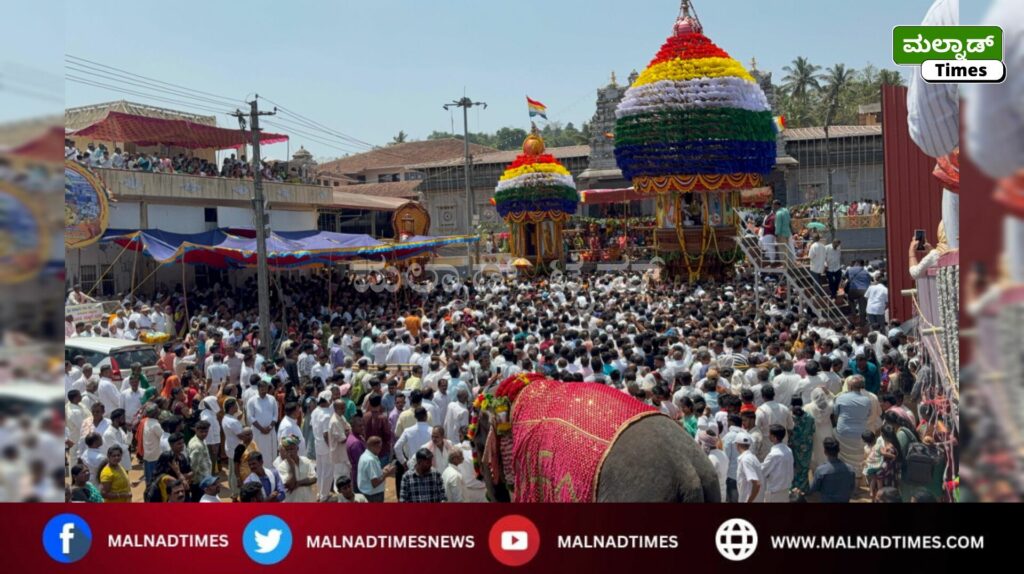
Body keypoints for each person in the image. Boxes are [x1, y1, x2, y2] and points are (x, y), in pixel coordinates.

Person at [834, 375, 873, 475]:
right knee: (858, 457)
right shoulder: (867, 400)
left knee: (842, 454)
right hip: (860, 433)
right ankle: (857, 474)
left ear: (850, 386)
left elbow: (836, 413)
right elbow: (868, 414)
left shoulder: (840, 398)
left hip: (843, 432)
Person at [805, 437, 857, 502]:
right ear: (838, 450)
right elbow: (852, 488)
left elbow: (813, 489)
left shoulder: (821, 470)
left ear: (825, 452)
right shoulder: (851, 469)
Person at [275, 435, 317, 503]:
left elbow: (314, 478)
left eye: (292, 449)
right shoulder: (281, 467)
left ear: (297, 448)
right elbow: (290, 485)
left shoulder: (306, 461)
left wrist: (298, 483)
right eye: (287, 450)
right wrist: (292, 466)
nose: (290, 452)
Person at [759, 425, 794, 503]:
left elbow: (763, 471)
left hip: (774, 491)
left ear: (774, 437)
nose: (768, 435)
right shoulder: (788, 450)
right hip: (785, 490)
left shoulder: (774, 454)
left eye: (770, 434)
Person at [246, 379, 279, 460]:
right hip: (258, 432)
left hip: (270, 431)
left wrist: (270, 427)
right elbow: (250, 417)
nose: (264, 390)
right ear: (258, 389)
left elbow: (275, 415)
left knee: (271, 452)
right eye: (262, 388)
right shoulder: (252, 401)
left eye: (265, 388)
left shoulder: (272, 399)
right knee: (258, 451)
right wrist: (261, 429)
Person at [357, 436, 394, 502]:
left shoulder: (364, 455)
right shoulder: (370, 460)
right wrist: (387, 474)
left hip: (367, 493)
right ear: (373, 447)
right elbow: (375, 483)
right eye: (379, 447)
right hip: (374, 495)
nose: (381, 449)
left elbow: (371, 474)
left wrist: (383, 470)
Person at [789, 398, 815, 492]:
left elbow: (789, 430)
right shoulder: (810, 417)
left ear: (792, 405)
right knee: (804, 467)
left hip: (794, 446)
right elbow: (813, 430)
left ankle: (794, 488)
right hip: (806, 446)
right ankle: (803, 488)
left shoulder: (790, 417)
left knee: (794, 467)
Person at [698, 429, 728, 502]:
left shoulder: (710, 459)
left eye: (700, 443)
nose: (698, 446)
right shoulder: (723, 453)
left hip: (714, 496)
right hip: (723, 493)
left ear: (705, 444)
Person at [187, 421, 213, 502]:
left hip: (204, 478)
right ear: (196, 430)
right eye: (201, 432)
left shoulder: (200, 440)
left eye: (206, 431)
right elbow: (193, 466)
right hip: (200, 481)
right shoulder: (197, 446)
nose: (204, 434)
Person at [735, 434, 762, 504]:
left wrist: (749, 501)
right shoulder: (753, 457)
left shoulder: (745, 460)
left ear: (737, 445)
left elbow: (757, 484)